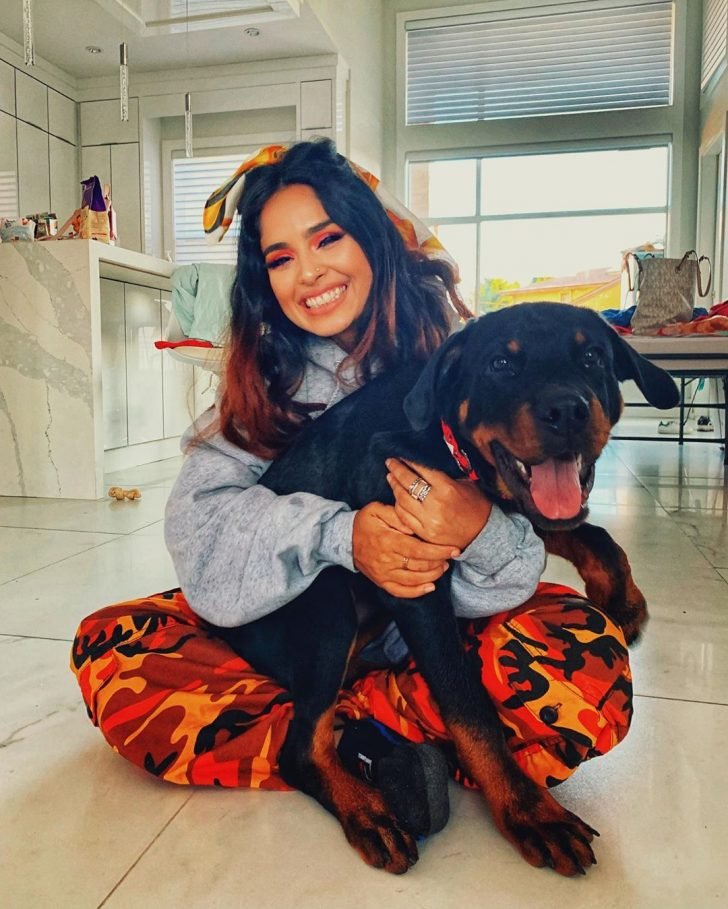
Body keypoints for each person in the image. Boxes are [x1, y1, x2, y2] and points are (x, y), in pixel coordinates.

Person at [71, 140, 632, 841]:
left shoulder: (460, 359)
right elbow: (200, 543)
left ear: (370, 237)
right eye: (279, 258)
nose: (308, 273)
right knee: (112, 645)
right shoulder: (259, 386)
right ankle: (357, 740)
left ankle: (342, 732)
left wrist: (477, 528)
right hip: (299, 620)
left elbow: (507, 569)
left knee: (587, 670)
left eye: (327, 237)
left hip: (438, 625)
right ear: (263, 280)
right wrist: (342, 537)